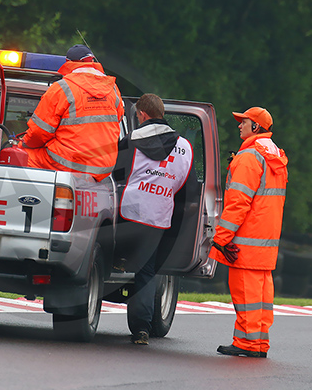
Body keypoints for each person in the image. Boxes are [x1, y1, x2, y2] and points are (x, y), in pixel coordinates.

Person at [114, 94, 194, 345]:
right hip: (159, 217)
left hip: (129, 212)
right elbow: (184, 185)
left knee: (103, 256)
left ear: (143, 115)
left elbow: (116, 172)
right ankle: (141, 329)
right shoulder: (184, 147)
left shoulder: (132, 140)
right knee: (146, 271)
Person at [210, 106, 288, 358]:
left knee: (245, 294)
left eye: (243, 122)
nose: (239, 125)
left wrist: (221, 239)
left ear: (255, 127)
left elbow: (238, 203)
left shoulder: (249, 157)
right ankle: (257, 342)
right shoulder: (275, 156)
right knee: (261, 298)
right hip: (266, 241)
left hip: (245, 241)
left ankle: (247, 344)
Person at [22, 44, 125, 181]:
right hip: (103, 168)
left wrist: (23, 144)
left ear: (68, 63)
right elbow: (117, 118)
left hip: (70, 164)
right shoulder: (112, 88)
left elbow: (39, 132)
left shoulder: (61, 88)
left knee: (21, 155)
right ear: (92, 61)